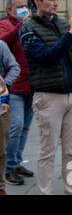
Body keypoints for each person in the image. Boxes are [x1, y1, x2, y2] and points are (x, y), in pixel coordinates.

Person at [19, 0, 72, 195]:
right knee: (47, 151)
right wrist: (71, 32)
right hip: (48, 97)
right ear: (37, 1)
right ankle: (45, 192)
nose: (56, 3)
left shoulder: (60, 24)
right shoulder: (28, 29)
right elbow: (46, 57)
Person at [0, 0, 34, 186]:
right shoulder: (5, 24)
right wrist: (21, 24)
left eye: (26, 6)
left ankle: (17, 161)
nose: (24, 9)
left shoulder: (30, 23)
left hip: (31, 84)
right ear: (9, 10)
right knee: (15, 127)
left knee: (25, 128)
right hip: (14, 87)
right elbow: (3, 42)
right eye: (19, 7)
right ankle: (8, 168)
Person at [0, 41, 21, 194]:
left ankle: (1, 187)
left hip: (0, 104)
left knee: (0, 150)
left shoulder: (0, 45)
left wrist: (5, 84)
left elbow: (14, 66)